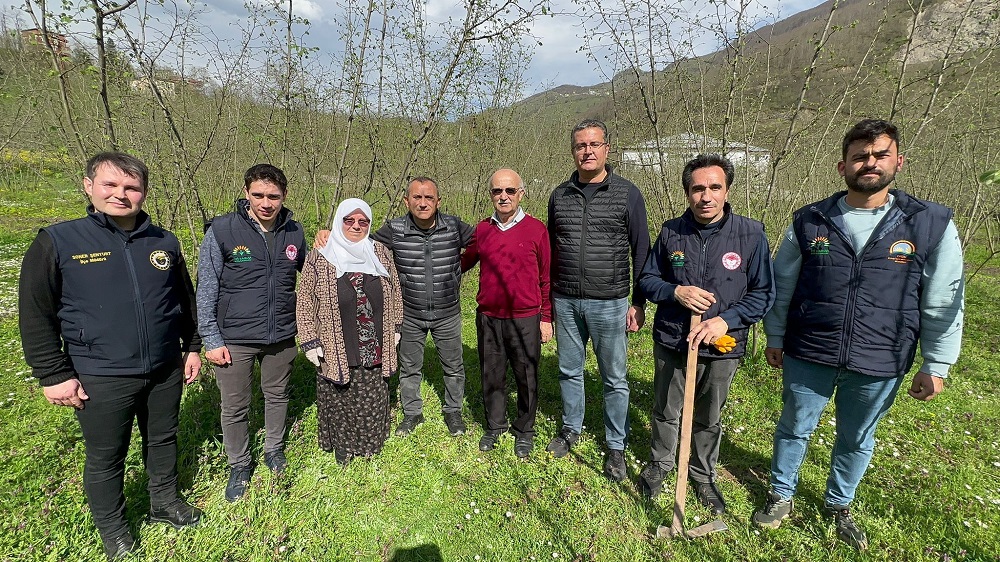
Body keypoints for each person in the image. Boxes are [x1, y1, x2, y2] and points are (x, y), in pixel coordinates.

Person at [751, 119, 965, 550]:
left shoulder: (929, 223)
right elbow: (783, 282)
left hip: (882, 355)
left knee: (857, 437)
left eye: (880, 155)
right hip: (810, 348)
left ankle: (839, 504)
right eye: (860, 156)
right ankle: (781, 493)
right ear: (842, 166)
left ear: (898, 162)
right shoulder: (810, 220)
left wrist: (937, 362)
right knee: (794, 425)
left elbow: (944, 297)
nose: (870, 163)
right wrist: (775, 336)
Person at [18, 152, 203, 561]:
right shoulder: (59, 241)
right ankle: (114, 530)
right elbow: (34, 313)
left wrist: (192, 346)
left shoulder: (164, 241)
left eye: (131, 187)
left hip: (164, 367)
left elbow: (183, 300)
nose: (121, 194)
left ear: (144, 193)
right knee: (106, 457)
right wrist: (52, 374)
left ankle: (164, 502)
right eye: (110, 185)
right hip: (101, 373)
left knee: (163, 439)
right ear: (89, 186)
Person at [636, 154, 775, 513]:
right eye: (698, 189)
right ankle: (661, 464)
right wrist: (675, 292)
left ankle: (702, 474)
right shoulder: (671, 232)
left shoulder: (751, 234)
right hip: (674, 339)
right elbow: (648, 279)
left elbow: (764, 293)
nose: (706, 196)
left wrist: (726, 320)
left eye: (715, 187)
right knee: (666, 409)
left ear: (727, 191)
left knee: (708, 414)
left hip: (722, 346)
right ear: (688, 193)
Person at [317, 178, 474, 437]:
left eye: (429, 197)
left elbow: (485, 242)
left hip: (447, 311)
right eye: (416, 197)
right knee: (410, 367)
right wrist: (329, 235)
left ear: (438, 201)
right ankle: (412, 413)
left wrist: (462, 267)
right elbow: (359, 242)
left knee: (454, 366)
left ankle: (453, 411)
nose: (422, 203)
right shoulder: (395, 229)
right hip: (410, 312)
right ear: (406, 201)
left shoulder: (455, 226)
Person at [546, 119, 651, 481]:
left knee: (615, 378)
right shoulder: (559, 195)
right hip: (566, 300)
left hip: (610, 301)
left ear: (607, 149)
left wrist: (639, 302)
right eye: (580, 145)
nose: (587, 151)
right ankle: (570, 428)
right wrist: (548, 301)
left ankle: (616, 445)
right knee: (568, 370)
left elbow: (641, 249)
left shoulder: (627, 194)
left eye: (594, 144)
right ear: (573, 151)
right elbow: (551, 248)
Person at [196, 164, 307, 502]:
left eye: (273, 196)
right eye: (258, 195)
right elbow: (206, 287)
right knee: (235, 405)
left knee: (278, 395)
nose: (266, 203)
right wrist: (211, 339)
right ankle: (239, 464)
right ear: (246, 193)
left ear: (284, 196)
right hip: (235, 338)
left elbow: (314, 274)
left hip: (281, 335)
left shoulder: (294, 232)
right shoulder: (222, 230)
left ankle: (274, 449)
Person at [297, 198, 403, 464]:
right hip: (335, 341)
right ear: (339, 221)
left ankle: (370, 442)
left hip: (374, 341)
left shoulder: (380, 252)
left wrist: (396, 326)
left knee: (372, 395)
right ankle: (343, 446)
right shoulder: (320, 256)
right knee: (340, 395)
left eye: (363, 221)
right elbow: (305, 300)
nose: (356, 226)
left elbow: (395, 290)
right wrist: (309, 340)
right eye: (349, 220)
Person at [461, 168, 552, 458]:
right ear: (490, 195)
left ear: (520, 194)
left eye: (510, 190)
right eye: (497, 191)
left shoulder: (536, 229)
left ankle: (524, 429)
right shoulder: (482, 230)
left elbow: (546, 278)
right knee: (492, 373)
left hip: (525, 318)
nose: (503, 196)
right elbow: (461, 263)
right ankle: (495, 425)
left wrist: (546, 318)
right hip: (489, 317)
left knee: (526, 375)